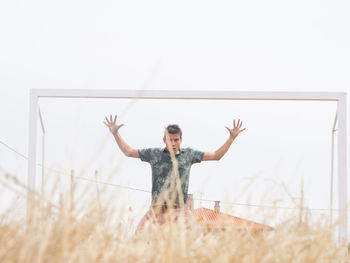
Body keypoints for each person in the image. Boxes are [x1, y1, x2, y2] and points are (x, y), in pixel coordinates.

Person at [104, 115, 245, 231]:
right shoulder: (154, 154)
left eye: (176, 140)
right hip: (157, 210)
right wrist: (116, 133)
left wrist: (231, 138)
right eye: (170, 140)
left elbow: (216, 156)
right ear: (164, 140)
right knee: (139, 236)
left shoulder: (189, 154)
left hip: (180, 210)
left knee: (196, 237)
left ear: (180, 140)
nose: (173, 143)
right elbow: (129, 152)